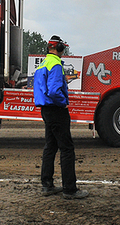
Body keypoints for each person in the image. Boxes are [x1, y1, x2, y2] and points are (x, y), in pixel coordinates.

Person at [33, 35, 88, 200]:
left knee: (50, 146)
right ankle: (70, 189)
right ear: (59, 48)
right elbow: (55, 90)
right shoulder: (56, 64)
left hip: (46, 110)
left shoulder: (43, 63)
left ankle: (47, 185)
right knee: (67, 148)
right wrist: (64, 103)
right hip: (56, 109)